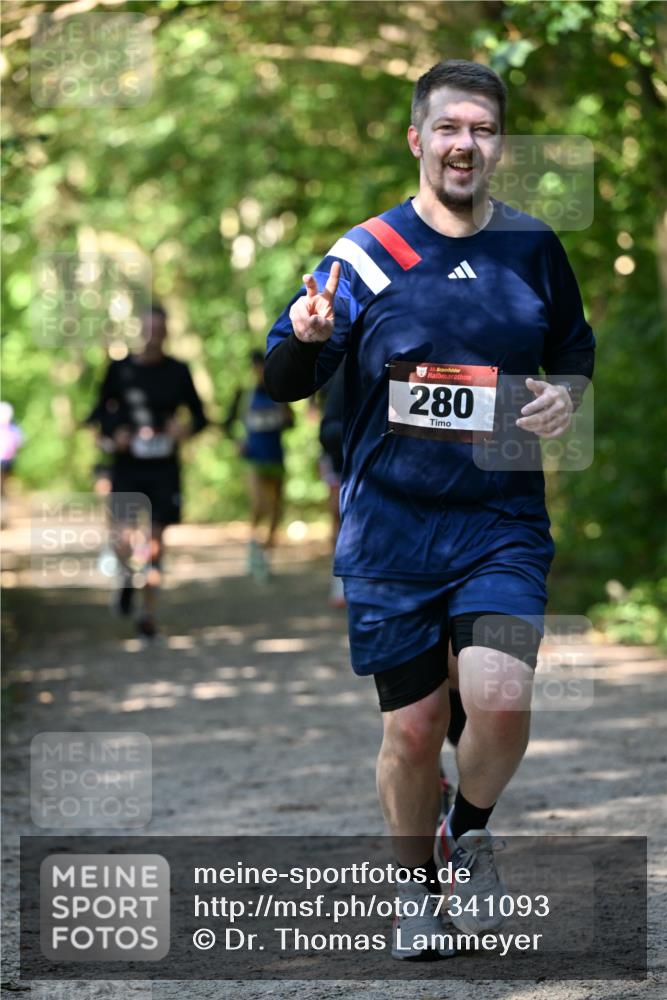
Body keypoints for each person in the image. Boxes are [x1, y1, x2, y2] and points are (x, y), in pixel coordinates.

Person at [264, 59, 594, 959]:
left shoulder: (531, 247)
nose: (464, 144)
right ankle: (416, 895)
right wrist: (305, 338)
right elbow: (283, 379)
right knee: (412, 730)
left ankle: (470, 828)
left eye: (482, 130)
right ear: (417, 138)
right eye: (448, 127)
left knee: (500, 696)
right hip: (392, 531)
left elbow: (571, 353)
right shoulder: (365, 254)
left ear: (498, 147)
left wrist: (565, 397)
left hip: (501, 524)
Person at [86, 304, 208, 640]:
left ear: (167, 333)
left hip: (164, 469)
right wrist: (116, 434)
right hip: (127, 467)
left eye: (159, 330)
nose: (153, 337)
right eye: (148, 330)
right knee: (123, 540)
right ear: (139, 332)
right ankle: (125, 579)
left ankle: (147, 612)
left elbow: (199, 417)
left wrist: (184, 429)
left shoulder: (179, 371)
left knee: (155, 543)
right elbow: (99, 411)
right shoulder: (119, 370)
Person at [224, 350, 293, 580]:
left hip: (275, 456)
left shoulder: (279, 392)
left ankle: (265, 554)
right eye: (257, 367)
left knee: (275, 509)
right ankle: (253, 544)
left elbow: (291, 422)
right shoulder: (244, 395)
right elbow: (226, 424)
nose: (260, 371)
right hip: (253, 457)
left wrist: (285, 418)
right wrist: (237, 442)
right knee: (259, 504)